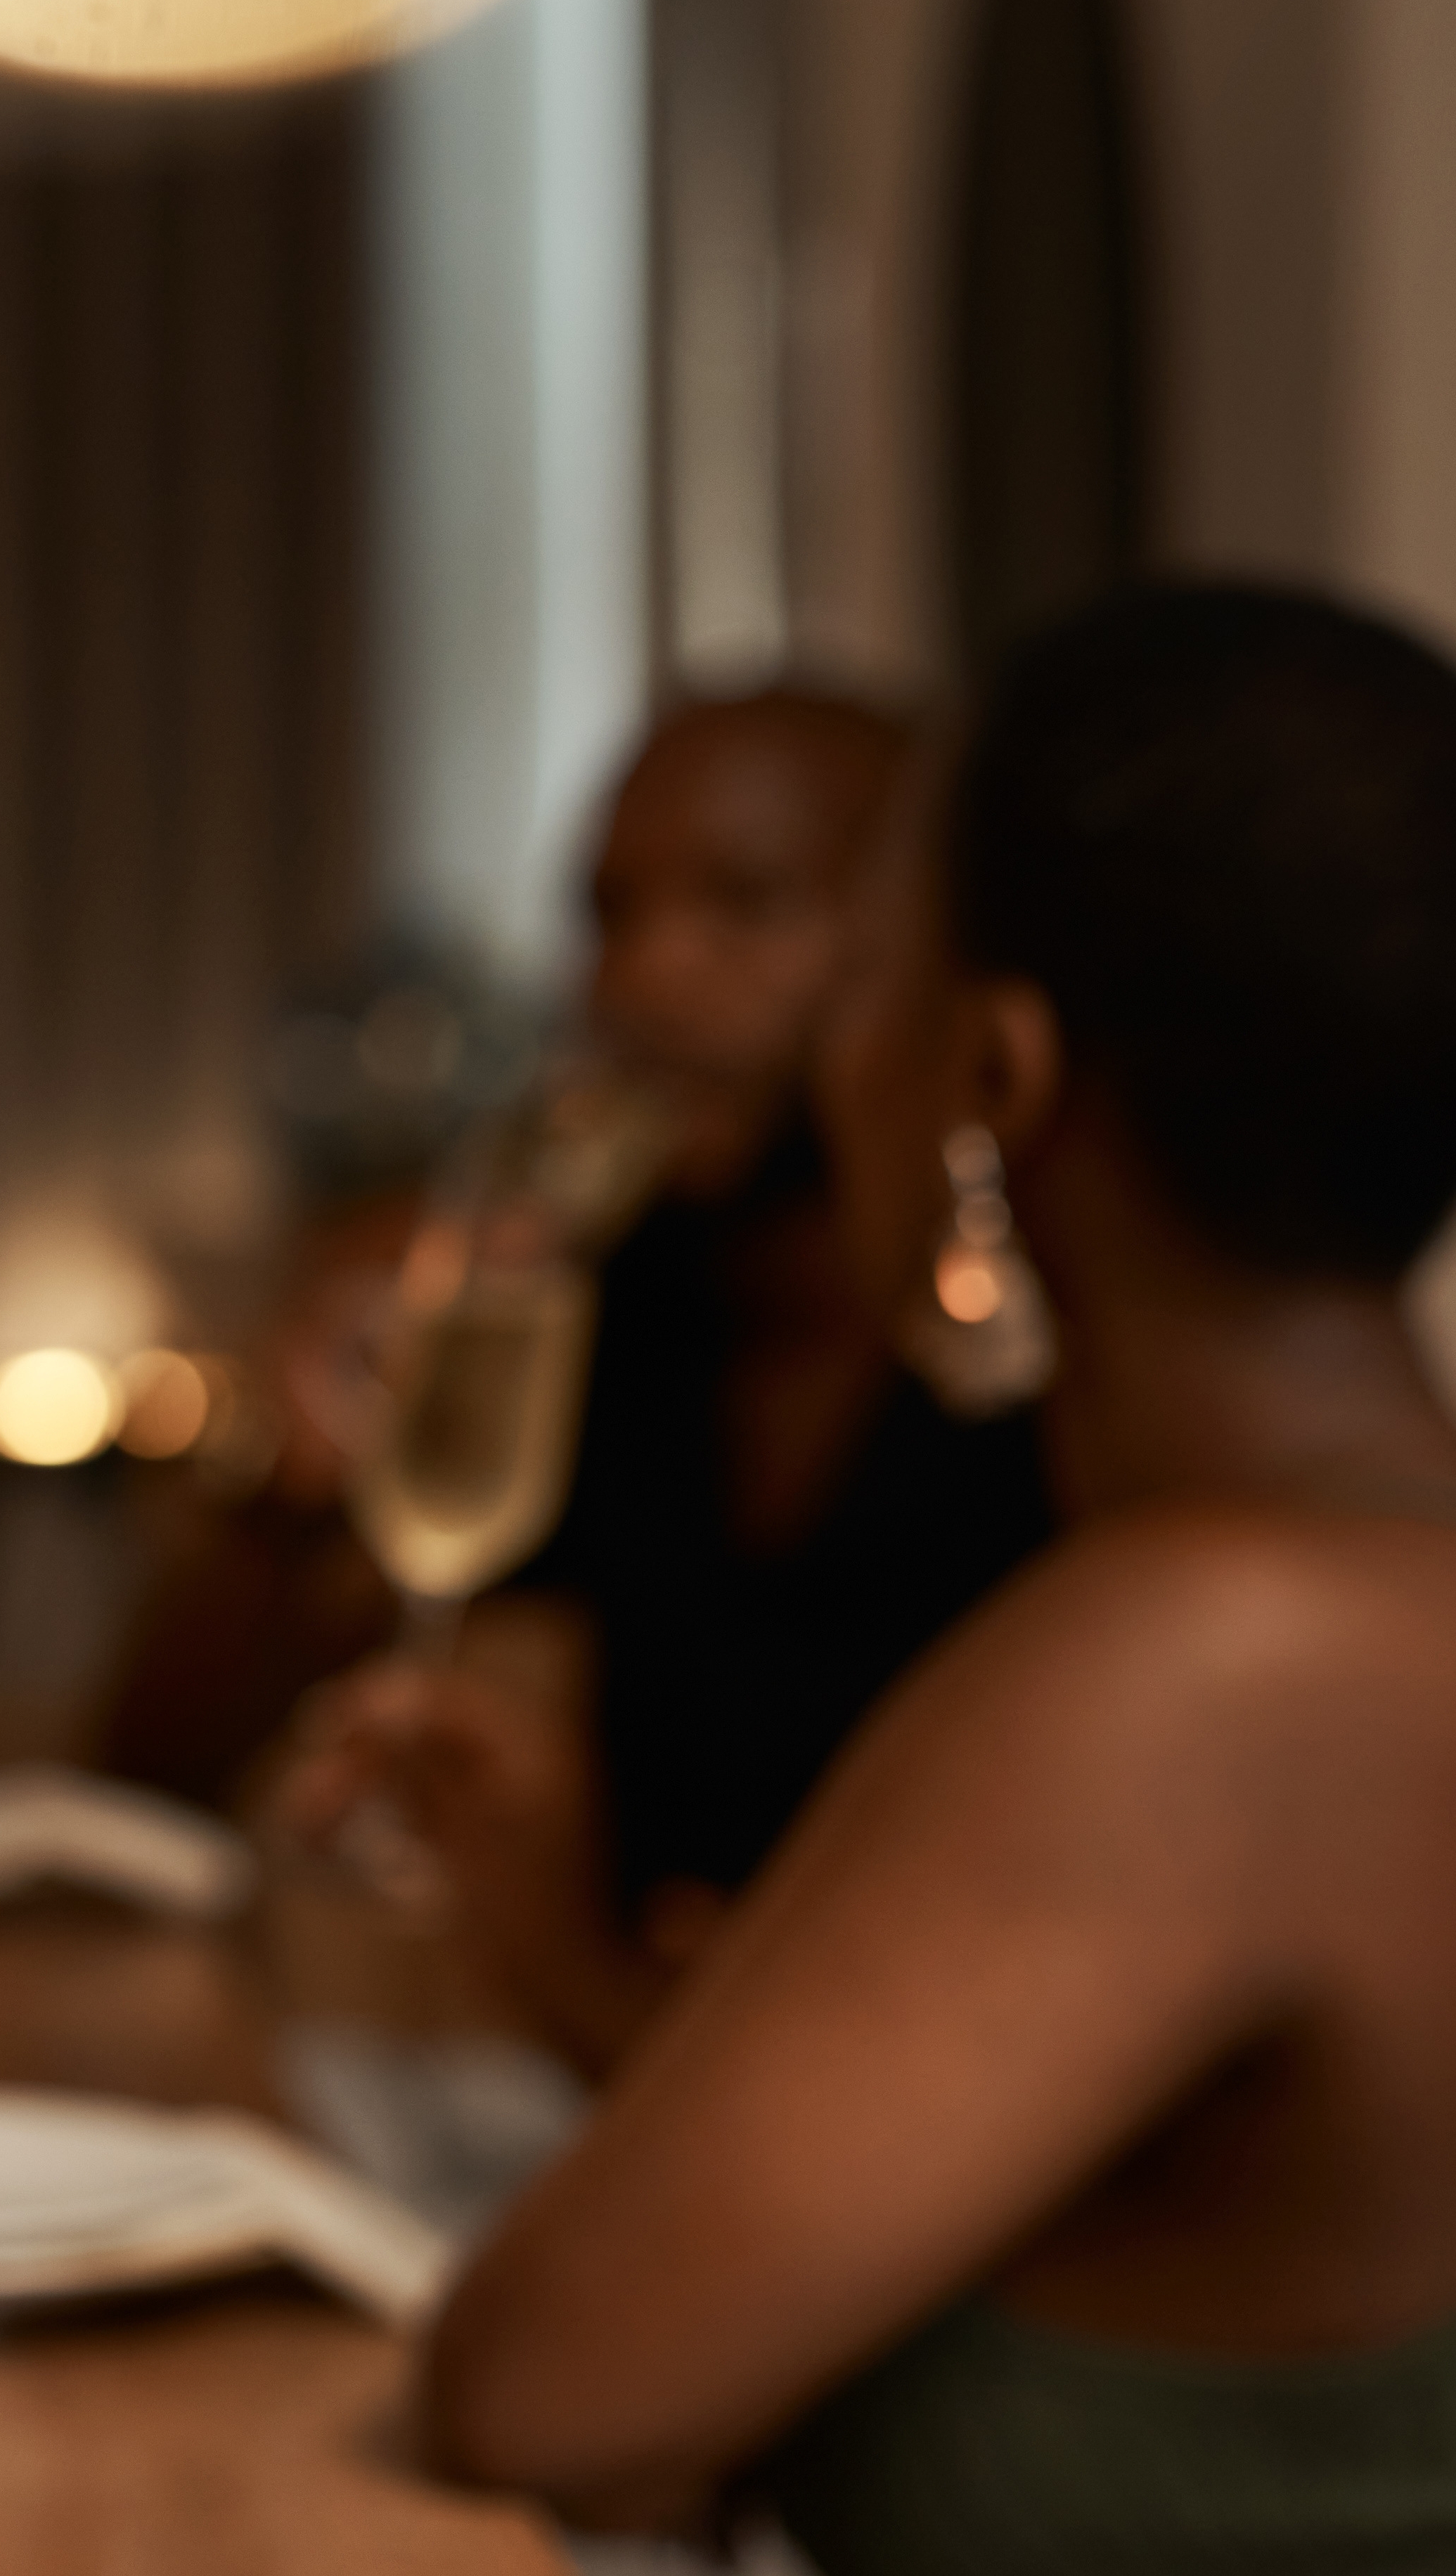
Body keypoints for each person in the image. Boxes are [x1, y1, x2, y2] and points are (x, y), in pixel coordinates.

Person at [418, 585, 1456, 2576]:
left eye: (864, 978)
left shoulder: (1219, 1658)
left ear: (996, 1072)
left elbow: (542, 2390)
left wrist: (761, 2367)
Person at [277, 694, 1059, 2066]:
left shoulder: (1054, 1394)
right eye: (607, 915)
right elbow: (155, 1761)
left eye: (742, 905)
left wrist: (563, 1954)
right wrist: (277, 1473)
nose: (639, 980)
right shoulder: (603, 1318)